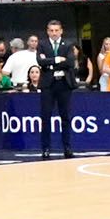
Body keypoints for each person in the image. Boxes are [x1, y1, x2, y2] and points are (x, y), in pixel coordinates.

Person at [38, 19, 79, 159]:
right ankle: (46, 148)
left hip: (64, 84)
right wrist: (56, 60)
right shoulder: (42, 44)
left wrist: (49, 64)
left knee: (65, 117)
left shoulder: (68, 44)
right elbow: (40, 61)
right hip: (48, 85)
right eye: (51, 30)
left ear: (61, 31)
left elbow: (70, 63)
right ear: (47, 31)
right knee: (46, 117)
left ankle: (67, 148)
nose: (54, 33)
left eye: (56, 30)